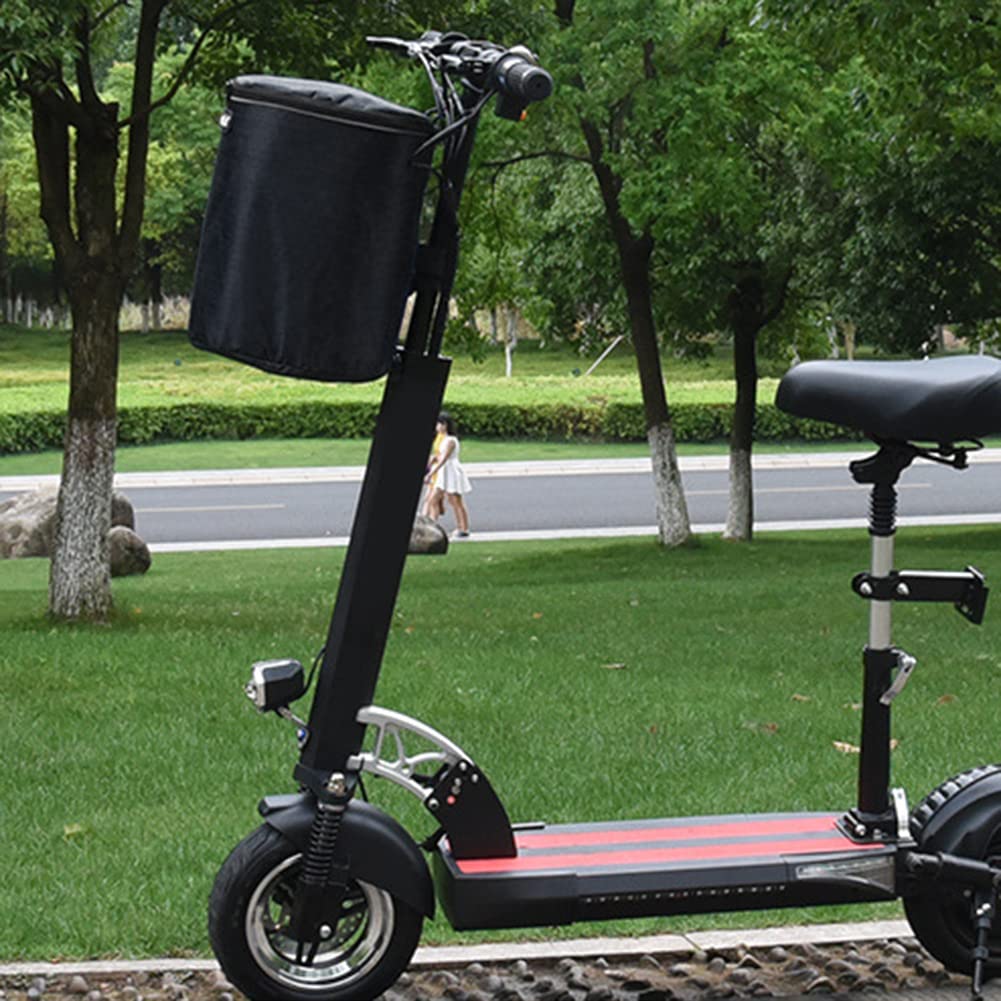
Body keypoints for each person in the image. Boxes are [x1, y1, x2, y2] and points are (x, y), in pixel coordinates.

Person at [424, 412, 471, 537]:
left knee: (455, 501)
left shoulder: (450, 441)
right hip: (443, 472)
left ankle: (463, 528)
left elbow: (444, 459)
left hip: (450, 471)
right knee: (433, 500)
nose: (437, 427)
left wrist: (431, 473)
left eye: (439, 424)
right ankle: (433, 527)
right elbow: (438, 456)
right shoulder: (442, 439)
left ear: (445, 425)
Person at [422, 424, 445, 519]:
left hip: (439, 471)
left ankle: (430, 520)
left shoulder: (446, 438)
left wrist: (433, 460)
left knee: (432, 500)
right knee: (429, 499)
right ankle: (424, 518)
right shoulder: (438, 436)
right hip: (434, 469)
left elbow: (441, 456)